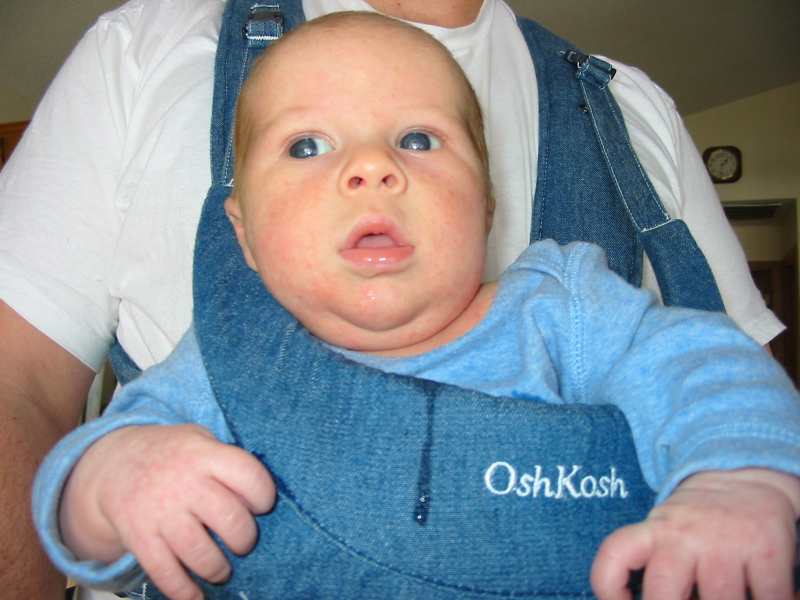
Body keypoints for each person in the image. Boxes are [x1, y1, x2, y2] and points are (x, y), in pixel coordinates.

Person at [0, 0, 785, 597]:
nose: (371, 167)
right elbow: (83, 506)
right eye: (307, 146)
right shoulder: (225, 359)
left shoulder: (567, 310)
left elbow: (709, 367)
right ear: (242, 235)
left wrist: (737, 479)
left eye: (417, 140)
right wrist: (113, 481)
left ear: (485, 206)